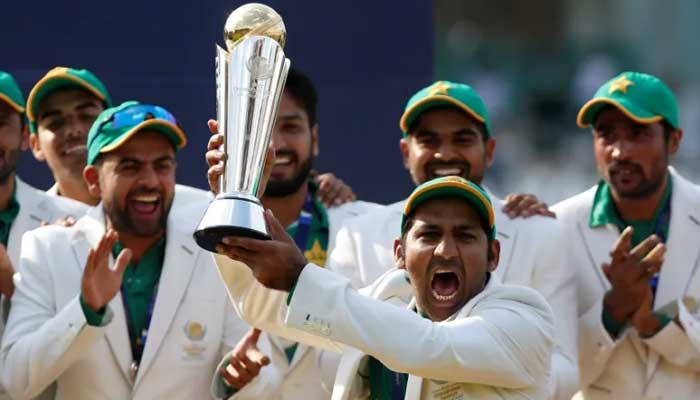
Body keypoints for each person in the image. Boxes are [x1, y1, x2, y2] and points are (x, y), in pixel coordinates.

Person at [326, 81, 578, 398]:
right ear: (406, 152)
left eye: (462, 139)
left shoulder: (538, 231)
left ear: (489, 151)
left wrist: (495, 373)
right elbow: (332, 349)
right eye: (428, 140)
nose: (445, 153)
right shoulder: (359, 232)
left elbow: (565, 367)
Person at [213, 175, 554, 399]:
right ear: (400, 254)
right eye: (429, 235)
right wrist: (234, 218)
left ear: (493, 255)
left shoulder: (524, 320)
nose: (446, 250)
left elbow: (432, 346)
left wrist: (301, 275)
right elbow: (271, 309)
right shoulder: (383, 304)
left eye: (465, 236)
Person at [1, 101, 251, 399]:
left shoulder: (214, 253)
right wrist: (85, 310)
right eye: (129, 167)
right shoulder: (49, 249)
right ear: (94, 180)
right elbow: (15, 380)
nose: (149, 181)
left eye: (162, 165)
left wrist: (238, 381)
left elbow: (258, 375)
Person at [206, 68, 380, 399]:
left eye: (290, 127)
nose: (276, 144)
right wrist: (226, 384)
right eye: (262, 129)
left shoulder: (366, 228)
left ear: (314, 137)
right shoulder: (207, 231)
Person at [552, 71, 700, 399]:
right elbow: (549, 374)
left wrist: (653, 325)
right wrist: (612, 312)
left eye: (638, 133)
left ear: (673, 140)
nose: (620, 152)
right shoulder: (556, 227)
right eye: (606, 134)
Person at [27, 66, 354, 211]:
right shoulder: (36, 238)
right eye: (55, 122)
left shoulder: (191, 208)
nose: (73, 130)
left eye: (86, 116)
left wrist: (311, 188)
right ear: (34, 144)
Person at [0, 71, 87, 400]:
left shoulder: (75, 221)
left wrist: (14, 286)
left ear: (24, 136)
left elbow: (92, 331)